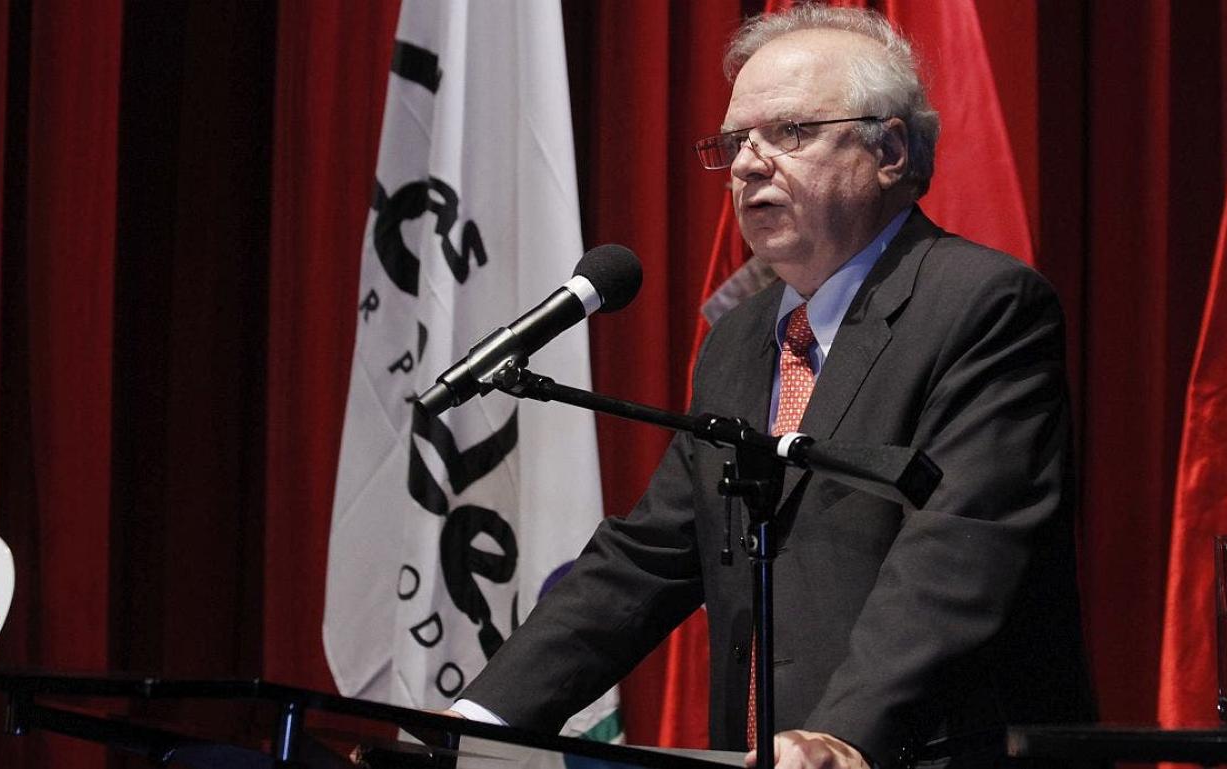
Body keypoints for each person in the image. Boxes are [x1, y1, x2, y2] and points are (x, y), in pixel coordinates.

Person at [450, 6, 1094, 769]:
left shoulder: (982, 305)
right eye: (735, 143)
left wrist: (845, 730)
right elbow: (648, 556)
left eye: (789, 132)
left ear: (889, 149)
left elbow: (960, 548)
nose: (748, 165)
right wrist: (474, 718)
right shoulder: (740, 339)